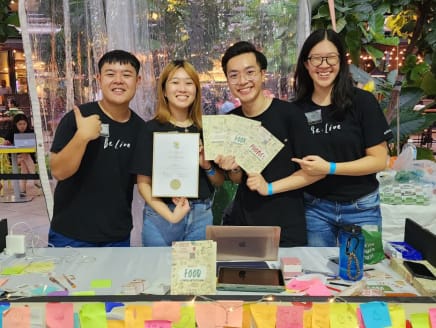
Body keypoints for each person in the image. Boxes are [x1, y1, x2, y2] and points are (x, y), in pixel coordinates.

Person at [214, 41, 322, 247]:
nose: (242, 81)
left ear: (263, 74)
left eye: (249, 72)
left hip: (286, 226)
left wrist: (269, 188)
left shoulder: (290, 115)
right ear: (227, 80)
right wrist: (234, 168)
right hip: (245, 224)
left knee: (288, 279)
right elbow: (238, 179)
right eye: (234, 75)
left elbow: (314, 172)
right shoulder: (231, 121)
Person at [292, 29, 393, 247]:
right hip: (315, 209)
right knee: (318, 274)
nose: (324, 64)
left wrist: (329, 168)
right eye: (316, 58)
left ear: (341, 61)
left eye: (331, 57)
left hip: (362, 207)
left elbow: (379, 160)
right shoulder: (296, 109)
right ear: (306, 64)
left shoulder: (362, 102)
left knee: (367, 273)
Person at [48, 49, 145, 247]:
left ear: (138, 81)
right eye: (110, 74)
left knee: (118, 280)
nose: (118, 80)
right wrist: (82, 136)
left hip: (117, 235)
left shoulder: (140, 128)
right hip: (70, 234)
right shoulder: (78, 117)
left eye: (126, 75)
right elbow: (58, 171)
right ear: (99, 79)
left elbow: (141, 178)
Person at [131, 60, 225, 246]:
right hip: (161, 216)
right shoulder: (151, 129)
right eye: (175, 82)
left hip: (200, 215)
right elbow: (143, 184)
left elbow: (218, 181)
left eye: (189, 83)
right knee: (158, 272)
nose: (182, 88)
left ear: (196, 91)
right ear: (164, 91)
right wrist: (171, 216)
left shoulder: (206, 130)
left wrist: (206, 165)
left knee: (195, 274)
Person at [3, 113, 39, 196]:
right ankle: (33, 180)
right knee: (24, 156)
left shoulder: (30, 132)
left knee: (24, 159)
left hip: (28, 158)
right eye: (20, 124)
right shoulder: (11, 132)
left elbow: (36, 145)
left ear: (27, 124)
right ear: (15, 124)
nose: (22, 126)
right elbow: (5, 143)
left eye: (24, 124)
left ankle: (22, 189)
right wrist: (7, 142)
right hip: (15, 158)